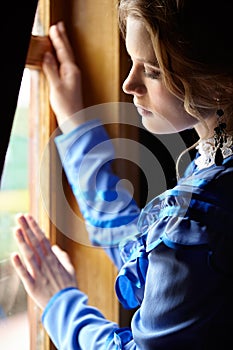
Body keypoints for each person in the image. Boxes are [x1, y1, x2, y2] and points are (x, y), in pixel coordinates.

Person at [11, 0, 233, 349]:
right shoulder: (215, 169)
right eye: (132, 61)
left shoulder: (203, 212)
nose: (129, 84)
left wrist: (61, 303)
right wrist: (75, 124)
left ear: (219, 81)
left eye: (153, 71)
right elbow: (149, 245)